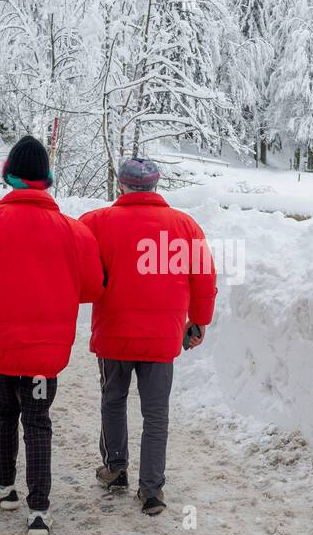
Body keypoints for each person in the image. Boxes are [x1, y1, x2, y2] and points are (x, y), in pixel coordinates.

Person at [0, 136, 103, 535]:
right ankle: (39, 510)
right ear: (47, 179)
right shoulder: (74, 231)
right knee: (38, 420)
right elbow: (93, 287)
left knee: (3, 409)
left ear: (9, 175)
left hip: (0, 347)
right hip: (46, 352)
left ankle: (4, 486)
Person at [79, 157, 217, 516]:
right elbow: (203, 279)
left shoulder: (95, 223)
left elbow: (78, 269)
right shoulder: (185, 226)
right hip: (162, 338)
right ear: (156, 186)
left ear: (121, 185)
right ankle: (152, 490)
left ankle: (115, 468)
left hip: (114, 334)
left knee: (113, 400)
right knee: (156, 414)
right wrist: (198, 322)